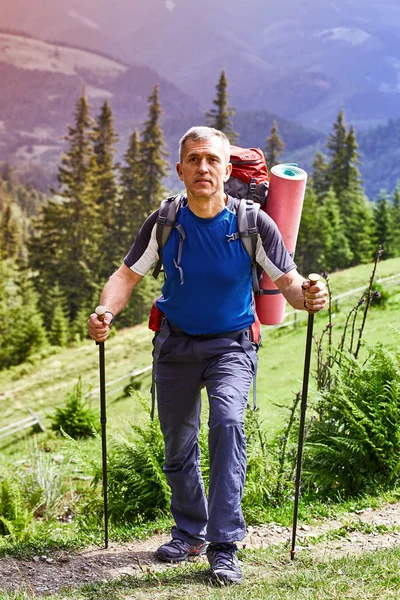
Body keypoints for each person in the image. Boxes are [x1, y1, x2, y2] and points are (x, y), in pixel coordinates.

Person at [87, 126, 327, 585]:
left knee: (229, 424)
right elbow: (125, 276)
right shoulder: (165, 221)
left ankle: (223, 544)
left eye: (212, 160)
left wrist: (312, 296)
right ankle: (189, 531)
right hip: (175, 343)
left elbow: (290, 284)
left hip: (232, 344)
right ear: (180, 170)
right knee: (178, 442)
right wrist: (104, 311)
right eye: (194, 159)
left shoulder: (253, 223)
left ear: (227, 168)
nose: (203, 167)